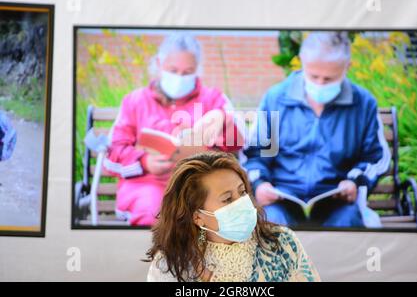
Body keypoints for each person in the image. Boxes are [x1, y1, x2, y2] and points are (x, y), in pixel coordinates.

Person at [243, 31, 391, 228]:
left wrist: (355, 182)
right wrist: (260, 184)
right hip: (281, 200)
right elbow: (257, 155)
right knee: (270, 224)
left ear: (347, 67)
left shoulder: (363, 104)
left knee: (348, 223)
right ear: (302, 61)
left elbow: (375, 158)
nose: (320, 84)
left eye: (329, 79)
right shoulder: (276, 99)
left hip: (337, 201)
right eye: (313, 76)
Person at [103, 33, 243, 226]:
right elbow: (111, 155)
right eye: (173, 70)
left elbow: (238, 150)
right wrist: (145, 162)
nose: (179, 77)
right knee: (152, 213)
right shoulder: (135, 101)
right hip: (147, 186)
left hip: (200, 185)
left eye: (187, 72)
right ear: (160, 64)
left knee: (207, 213)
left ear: (197, 70)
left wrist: (224, 120)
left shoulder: (214, 99)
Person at [145, 151, 320, 282]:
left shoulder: (282, 241)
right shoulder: (171, 263)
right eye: (227, 199)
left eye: (242, 192)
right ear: (197, 217)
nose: (242, 203)